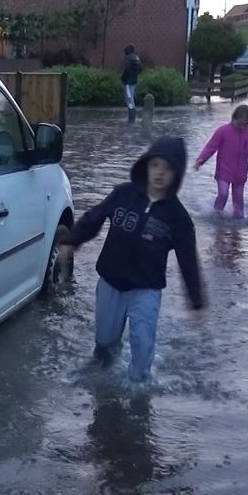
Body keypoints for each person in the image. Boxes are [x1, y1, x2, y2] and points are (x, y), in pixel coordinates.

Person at [58, 137, 205, 382]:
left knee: (143, 342)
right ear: (146, 165)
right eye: (156, 165)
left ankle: (139, 388)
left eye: (168, 169)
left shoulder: (178, 218)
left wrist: (196, 302)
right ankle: (103, 374)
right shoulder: (123, 194)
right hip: (110, 282)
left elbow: (188, 260)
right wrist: (73, 241)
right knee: (105, 342)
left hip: (146, 290)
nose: (160, 173)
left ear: (177, 175)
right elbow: (94, 217)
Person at [194, 104, 248, 220]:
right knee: (223, 193)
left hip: (241, 172)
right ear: (234, 118)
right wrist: (200, 160)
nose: (242, 127)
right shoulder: (223, 131)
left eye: (245, 124)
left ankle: (238, 226)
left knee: (238, 200)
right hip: (224, 170)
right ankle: (216, 215)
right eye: (240, 123)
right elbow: (211, 147)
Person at [121, 44, 142, 123]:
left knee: (129, 99)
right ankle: (132, 116)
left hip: (128, 82)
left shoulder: (128, 58)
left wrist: (123, 79)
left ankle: (131, 118)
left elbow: (126, 70)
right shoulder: (137, 58)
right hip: (134, 81)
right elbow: (140, 69)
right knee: (131, 97)